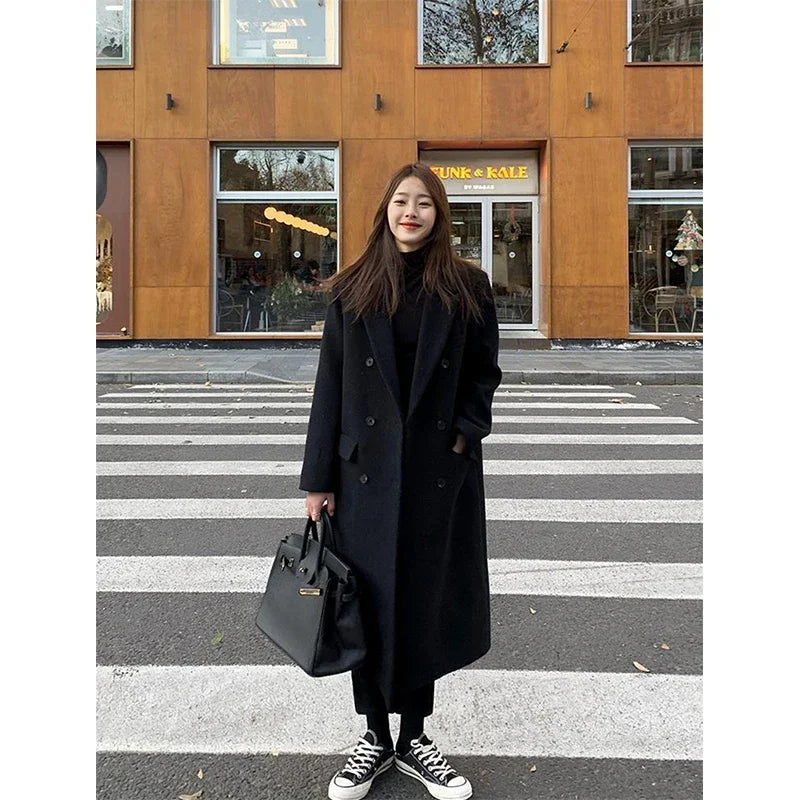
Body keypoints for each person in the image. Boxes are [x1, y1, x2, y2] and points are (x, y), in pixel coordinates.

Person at [299, 163, 502, 800]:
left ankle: (413, 737)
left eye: (423, 204)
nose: (409, 212)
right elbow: (329, 386)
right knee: (368, 601)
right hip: (364, 475)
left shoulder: (467, 288)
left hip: (439, 474)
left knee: (423, 599)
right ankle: (374, 737)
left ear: (440, 215)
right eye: (400, 201)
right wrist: (317, 479)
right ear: (385, 210)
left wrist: (466, 434)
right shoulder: (353, 288)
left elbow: (483, 374)